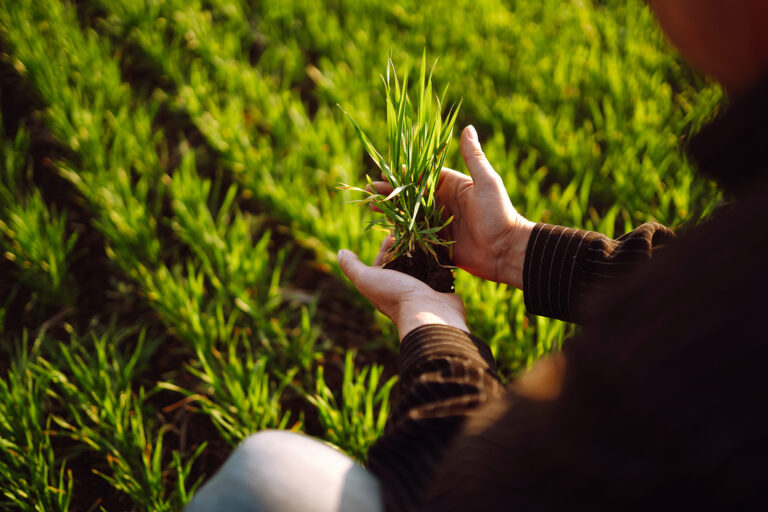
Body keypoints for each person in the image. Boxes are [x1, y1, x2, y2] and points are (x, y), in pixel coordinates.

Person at [187, 1, 768, 510]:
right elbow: (690, 286)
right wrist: (517, 247)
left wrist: (431, 322)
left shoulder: (709, 333)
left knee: (266, 474)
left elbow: (471, 488)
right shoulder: (734, 261)